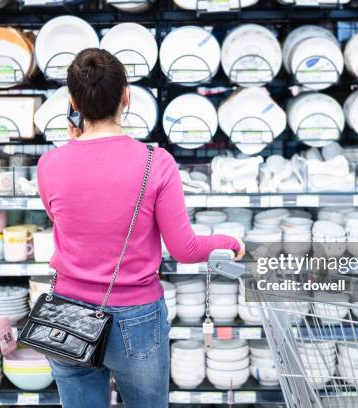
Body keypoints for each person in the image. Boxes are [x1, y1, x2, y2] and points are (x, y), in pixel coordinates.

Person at [37, 48, 245, 408]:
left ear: (73, 102)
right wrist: (228, 240)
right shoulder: (156, 162)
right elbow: (185, 249)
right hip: (136, 317)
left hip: (67, 314)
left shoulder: (50, 164)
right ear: (126, 96)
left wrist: (74, 146)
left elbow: (70, 224)